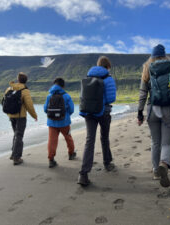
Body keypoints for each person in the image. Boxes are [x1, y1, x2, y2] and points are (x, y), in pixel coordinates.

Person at [137, 44, 170, 187]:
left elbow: (143, 93)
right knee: (167, 142)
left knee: (155, 142)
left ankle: (156, 171)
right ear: (164, 55)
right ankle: (164, 163)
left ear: (152, 56)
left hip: (153, 111)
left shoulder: (147, 69)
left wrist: (140, 112)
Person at [77, 56, 117, 186]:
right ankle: (107, 163)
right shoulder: (108, 78)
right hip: (103, 112)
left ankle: (83, 174)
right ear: (107, 66)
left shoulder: (87, 78)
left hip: (88, 112)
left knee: (90, 140)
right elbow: (111, 99)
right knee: (104, 137)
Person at [4, 72, 38, 165]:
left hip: (11, 116)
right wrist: (34, 116)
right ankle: (16, 157)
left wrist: (8, 114)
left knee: (16, 134)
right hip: (20, 116)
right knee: (19, 135)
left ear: (18, 79)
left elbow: (5, 102)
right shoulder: (25, 90)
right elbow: (29, 105)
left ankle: (13, 154)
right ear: (25, 81)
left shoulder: (9, 89)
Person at [44, 78, 76, 168]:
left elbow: (45, 109)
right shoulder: (66, 96)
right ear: (63, 86)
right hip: (64, 122)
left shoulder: (49, 96)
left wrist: (53, 116)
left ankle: (51, 159)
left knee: (52, 141)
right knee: (68, 138)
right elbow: (72, 109)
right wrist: (65, 115)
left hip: (52, 123)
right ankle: (71, 154)